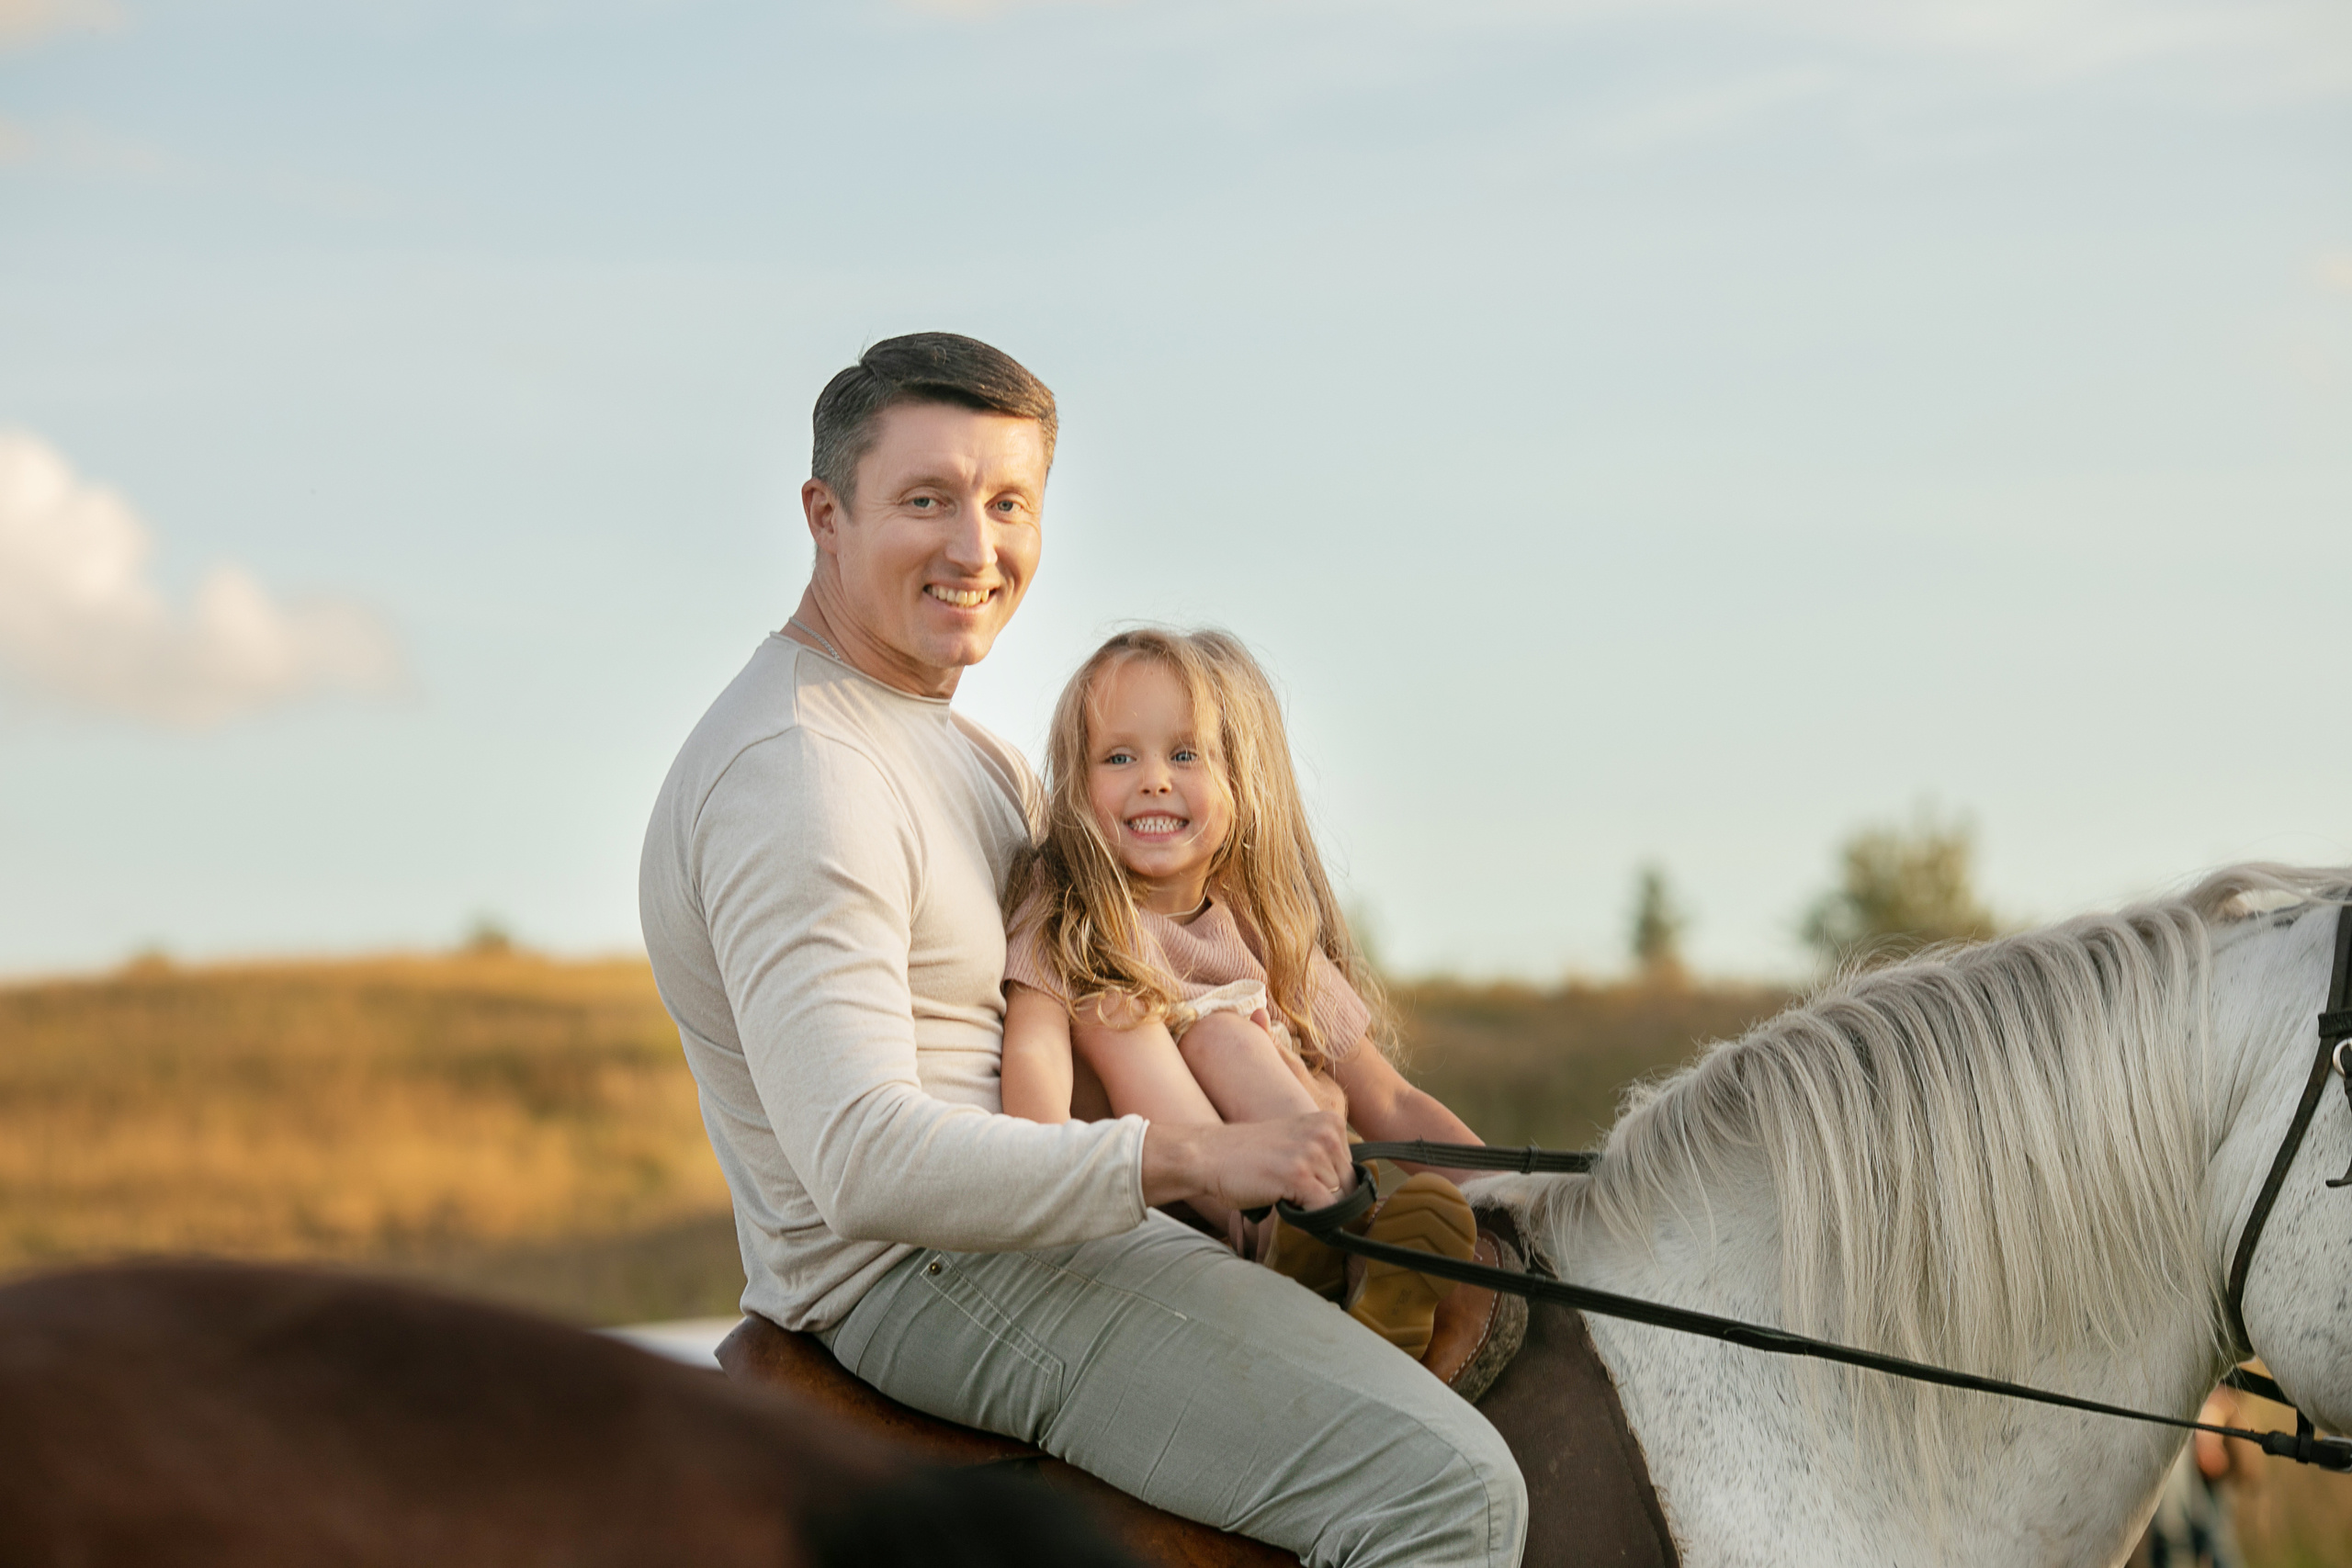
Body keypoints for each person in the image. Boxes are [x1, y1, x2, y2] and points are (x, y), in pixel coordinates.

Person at [639, 333, 1527, 1567]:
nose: (974, 547)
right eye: (926, 500)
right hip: (929, 1272)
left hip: (1046, 1228)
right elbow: (860, 1161)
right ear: (823, 514)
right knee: (1445, 1492)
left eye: (1008, 504)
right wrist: (1205, 1152)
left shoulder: (973, 755)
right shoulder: (801, 773)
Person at [996, 626, 1485, 1359]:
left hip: (1310, 1175)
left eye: (1184, 754)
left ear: (1237, 784)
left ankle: (1344, 1243)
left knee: (1233, 1033)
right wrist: (1040, 1169)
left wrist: (1515, 1193)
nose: (1154, 778)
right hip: (1172, 1205)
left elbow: (1390, 1100)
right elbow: (1032, 1050)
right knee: (1129, 1010)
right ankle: (1283, 1229)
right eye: (1119, 756)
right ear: (1076, 787)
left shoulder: (1261, 933)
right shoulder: (1069, 908)